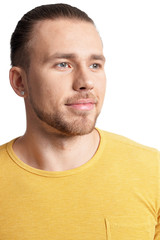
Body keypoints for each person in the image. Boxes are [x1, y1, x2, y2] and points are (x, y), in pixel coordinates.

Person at [0, 3, 159, 239]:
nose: (86, 81)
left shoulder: (153, 172)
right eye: (63, 64)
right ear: (19, 82)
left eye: (95, 65)